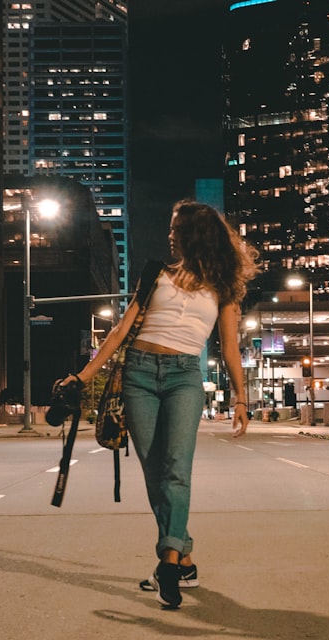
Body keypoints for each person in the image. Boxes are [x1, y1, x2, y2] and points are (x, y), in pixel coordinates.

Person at [63, 199, 258, 609]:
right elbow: (120, 330)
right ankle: (182, 556)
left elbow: (229, 349)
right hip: (138, 373)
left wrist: (242, 398)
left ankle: (168, 562)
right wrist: (83, 376)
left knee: (177, 471)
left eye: (175, 228)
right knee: (155, 471)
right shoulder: (156, 273)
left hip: (185, 379)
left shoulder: (223, 287)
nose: (169, 234)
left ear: (192, 234)